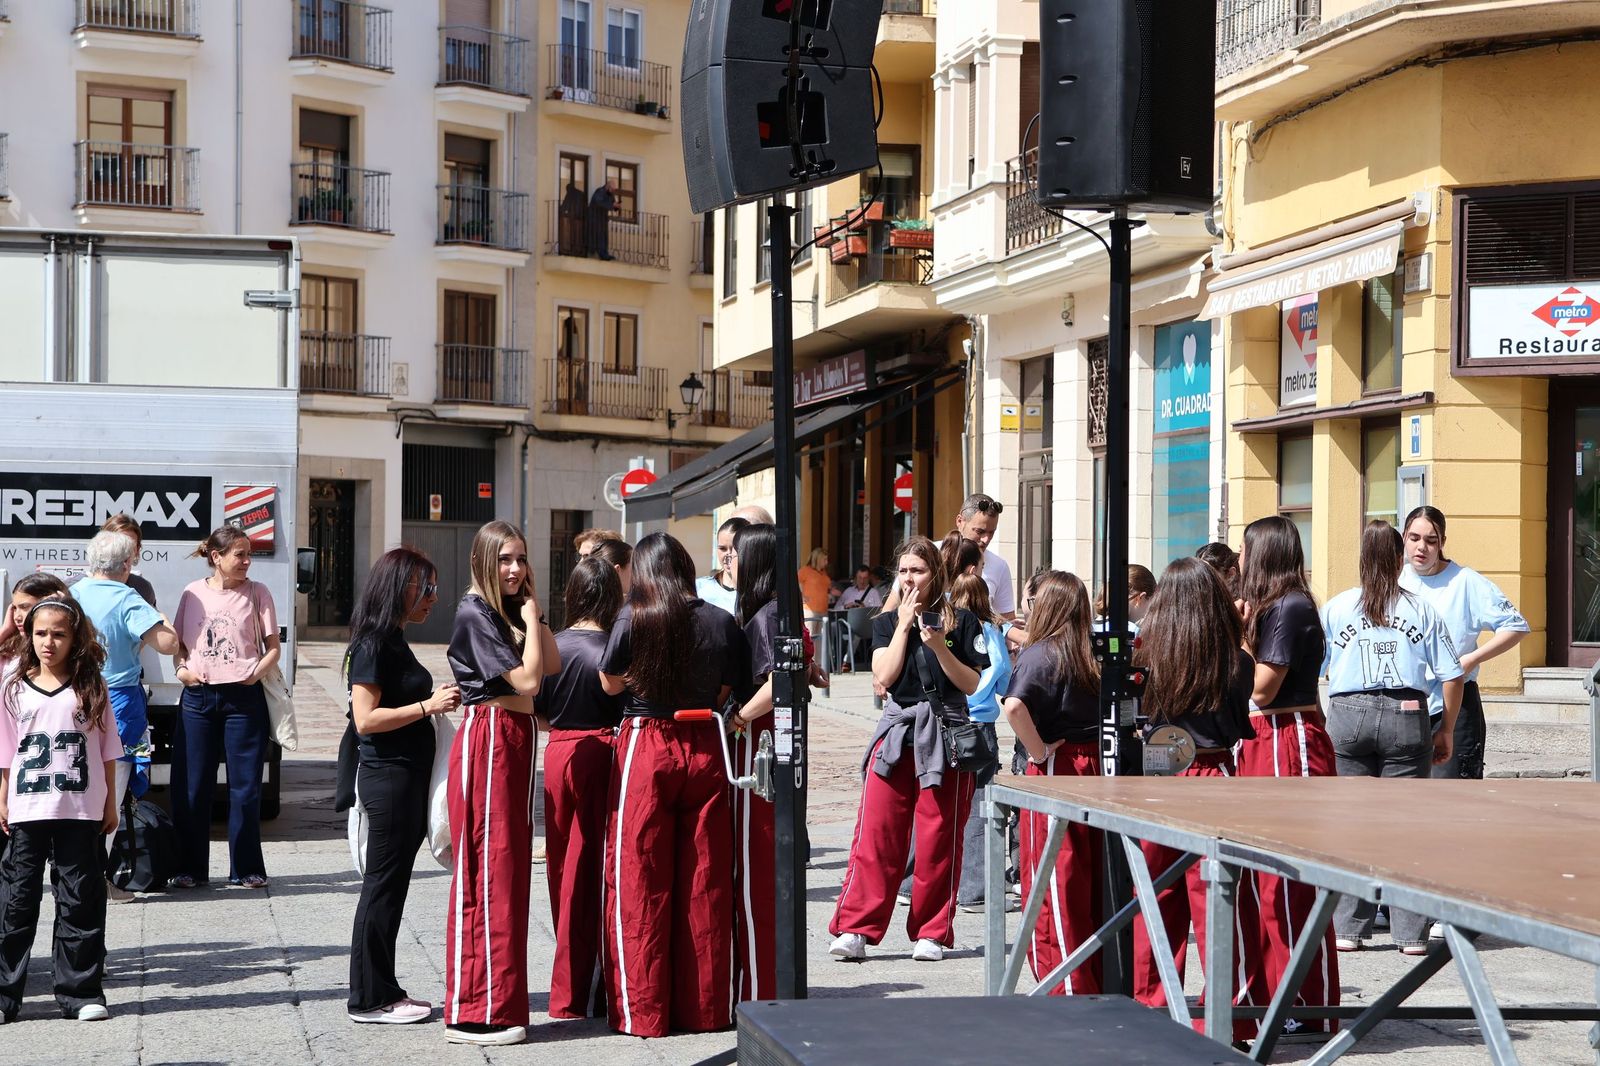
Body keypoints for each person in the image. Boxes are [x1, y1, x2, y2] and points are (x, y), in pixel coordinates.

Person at [598, 532, 747, 1037]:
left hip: (647, 741)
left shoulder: (634, 616)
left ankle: (643, 1011)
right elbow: (730, 687)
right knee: (706, 879)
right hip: (706, 739)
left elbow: (609, 680)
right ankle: (705, 1009)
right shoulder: (720, 620)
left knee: (638, 876)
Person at [829, 535, 986, 964]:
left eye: (918, 570)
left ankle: (931, 931)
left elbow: (972, 684)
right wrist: (901, 625)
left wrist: (937, 644)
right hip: (898, 730)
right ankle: (857, 928)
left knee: (938, 835)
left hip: (945, 731)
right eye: (903, 571)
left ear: (936, 573)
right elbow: (882, 674)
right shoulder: (884, 622)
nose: (910, 578)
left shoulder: (962, 621)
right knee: (878, 834)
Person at [1130, 558, 1265, 1042]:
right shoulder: (1238, 661)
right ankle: (1226, 1016)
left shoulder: (1145, 659)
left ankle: (1150, 1004)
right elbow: (1237, 723)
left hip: (1160, 772)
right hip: (1214, 774)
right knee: (1219, 900)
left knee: (1155, 897)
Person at [1323, 520, 1464, 956]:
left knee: (1350, 825)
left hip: (1348, 713)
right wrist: (1447, 729)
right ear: (1399, 555)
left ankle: (1348, 928)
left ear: (1361, 558)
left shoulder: (1338, 607)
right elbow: (1452, 676)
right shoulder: (1422, 609)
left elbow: (1315, 670)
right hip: (1407, 713)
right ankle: (1410, 935)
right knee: (1405, 827)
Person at [443, 520, 558, 1046]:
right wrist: (529, 618)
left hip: (509, 742)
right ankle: (478, 1008)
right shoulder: (474, 612)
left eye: (521, 559)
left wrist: (533, 613)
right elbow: (531, 681)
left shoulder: (501, 611)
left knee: (506, 869)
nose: (515, 569)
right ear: (484, 560)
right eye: (506, 560)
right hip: (490, 740)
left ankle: (497, 1001)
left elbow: (550, 661)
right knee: (490, 869)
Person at [344, 548, 461, 1027]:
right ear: (398, 588)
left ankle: (381, 989)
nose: (433, 598)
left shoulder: (393, 638)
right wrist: (427, 707)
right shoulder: (372, 642)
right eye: (425, 588)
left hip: (405, 776)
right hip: (387, 778)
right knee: (382, 887)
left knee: (390, 888)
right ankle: (370, 999)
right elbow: (365, 719)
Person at [1234, 515, 1339, 1039]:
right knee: (1261, 879)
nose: (1240, 561)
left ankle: (1309, 998)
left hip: (1287, 735)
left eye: (1246, 551)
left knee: (1287, 881)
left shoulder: (1289, 606)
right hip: (1266, 738)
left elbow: (1262, 689)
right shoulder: (1278, 606)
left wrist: (1239, 636)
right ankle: (1279, 993)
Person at [0, 594, 121, 1022]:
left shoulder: (91, 685)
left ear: (75, 639)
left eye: (58, 634)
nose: (48, 642)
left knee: (81, 900)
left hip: (80, 807)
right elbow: (6, 750)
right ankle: (4, 994)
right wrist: (3, 795)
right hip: (29, 807)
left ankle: (80, 992)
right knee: (16, 901)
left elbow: (107, 748)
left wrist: (110, 799)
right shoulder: (13, 686)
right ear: (27, 636)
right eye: (40, 634)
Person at [1002, 570, 1102, 993]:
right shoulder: (1091, 649)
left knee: (1053, 879)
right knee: (1086, 877)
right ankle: (1085, 978)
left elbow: (1013, 707)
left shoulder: (1042, 652)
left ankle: (1064, 982)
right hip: (1094, 763)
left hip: (1059, 764)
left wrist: (1039, 752)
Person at [536, 556, 624, 1020]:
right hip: (601, 754)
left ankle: (569, 984)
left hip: (557, 752)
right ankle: (593, 985)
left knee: (561, 871)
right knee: (596, 872)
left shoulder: (553, 645)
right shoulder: (612, 648)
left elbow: (538, 711)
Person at [169, 527, 280, 890]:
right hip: (198, 699)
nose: (247, 562)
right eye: (240, 555)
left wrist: (254, 675)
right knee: (192, 786)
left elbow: (273, 648)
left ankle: (246, 867)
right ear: (217, 557)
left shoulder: (258, 593)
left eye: (249, 554)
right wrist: (182, 671)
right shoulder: (192, 593)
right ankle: (188, 867)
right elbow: (180, 646)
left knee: (245, 787)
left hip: (243, 700)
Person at [69, 531, 181, 886]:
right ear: (128, 563)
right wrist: (160, 617)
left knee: (76, 784)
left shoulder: (71, 594)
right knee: (111, 790)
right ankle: (98, 877)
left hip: (72, 696)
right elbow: (167, 644)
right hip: (116, 700)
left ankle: (71, 870)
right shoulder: (128, 598)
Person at [1399, 506, 1528, 781]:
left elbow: (1515, 626)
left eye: (1431, 540)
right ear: (1403, 538)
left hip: (1455, 706)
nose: (1422, 547)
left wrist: (1471, 659)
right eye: (1414, 538)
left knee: (1454, 796)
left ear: (1442, 543)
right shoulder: (1395, 579)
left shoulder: (1465, 581)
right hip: (1405, 704)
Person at [728, 523, 783, 1001]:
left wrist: (738, 719)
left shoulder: (766, 614)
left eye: (735, 554)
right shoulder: (771, 610)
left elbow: (776, 685)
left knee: (753, 865)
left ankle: (758, 985)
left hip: (758, 743)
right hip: (764, 739)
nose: (729, 562)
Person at [948, 572, 1012, 913]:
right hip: (980, 726)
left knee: (937, 801)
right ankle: (975, 887)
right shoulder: (991, 631)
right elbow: (1003, 679)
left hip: (946, 719)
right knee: (980, 807)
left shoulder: (943, 628)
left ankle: (914, 882)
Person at [955, 493, 1016, 621]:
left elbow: (1007, 621)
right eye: (979, 531)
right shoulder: (933, 555)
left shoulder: (1000, 566)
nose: (986, 539)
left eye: (991, 532)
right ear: (960, 521)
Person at [0, 574, 71, 667]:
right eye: (14, 608)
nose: (17, 616)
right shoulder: (10, 651)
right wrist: (5, 631)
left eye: (24, 607)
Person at [696, 516, 750, 616]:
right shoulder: (699, 588)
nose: (729, 554)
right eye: (722, 548)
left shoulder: (757, 593)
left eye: (735, 548)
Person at [1095, 563, 1157, 632]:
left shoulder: (1090, 628)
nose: (1148, 612)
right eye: (1152, 603)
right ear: (1140, 598)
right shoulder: (1132, 631)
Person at [586, 179, 619, 261]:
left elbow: (613, 205)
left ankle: (604, 253)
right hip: (595, 218)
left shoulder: (610, 194)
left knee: (604, 236)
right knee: (597, 236)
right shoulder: (600, 192)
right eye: (612, 189)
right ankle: (597, 252)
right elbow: (599, 202)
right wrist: (612, 205)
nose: (613, 191)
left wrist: (616, 206)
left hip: (603, 219)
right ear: (608, 186)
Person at [798, 547, 833, 620]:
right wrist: (802, 597)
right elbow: (795, 585)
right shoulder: (805, 571)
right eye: (824, 560)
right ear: (817, 560)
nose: (826, 562)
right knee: (811, 632)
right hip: (810, 611)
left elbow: (825, 588)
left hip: (824, 610)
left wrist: (831, 593)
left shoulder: (824, 573)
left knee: (823, 632)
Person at [559, 179, 587, 256]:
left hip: (575, 219)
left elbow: (565, 205)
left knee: (574, 235)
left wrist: (560, 210)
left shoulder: (570, 193)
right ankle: (578, 249)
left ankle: (573, 249)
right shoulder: (580, 193)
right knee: (577, 237)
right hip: (581, 218)